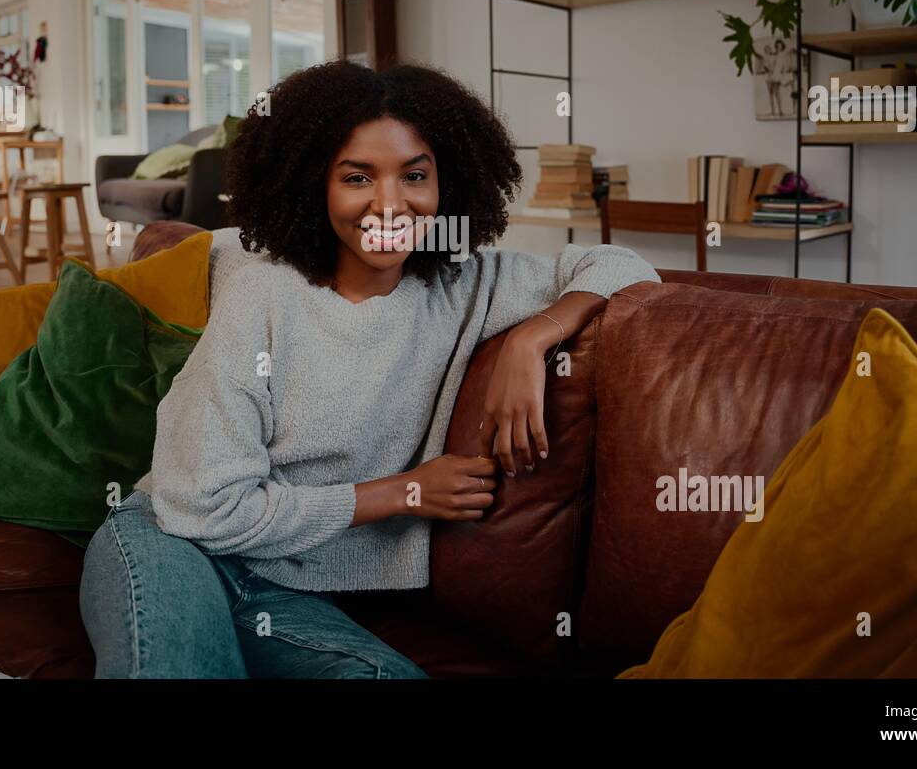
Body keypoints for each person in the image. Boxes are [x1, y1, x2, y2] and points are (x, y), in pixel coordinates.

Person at [78, 61, 660, 678]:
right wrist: (405, 492)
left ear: (448, 183)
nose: (391, 204)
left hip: (288, 591)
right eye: (358, 177)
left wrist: (531, 342)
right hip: (172, 544)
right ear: (313, 185)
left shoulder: (465, 285)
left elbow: (622, 265)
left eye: (415, 175)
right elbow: (204, 509)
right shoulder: (263, 297)